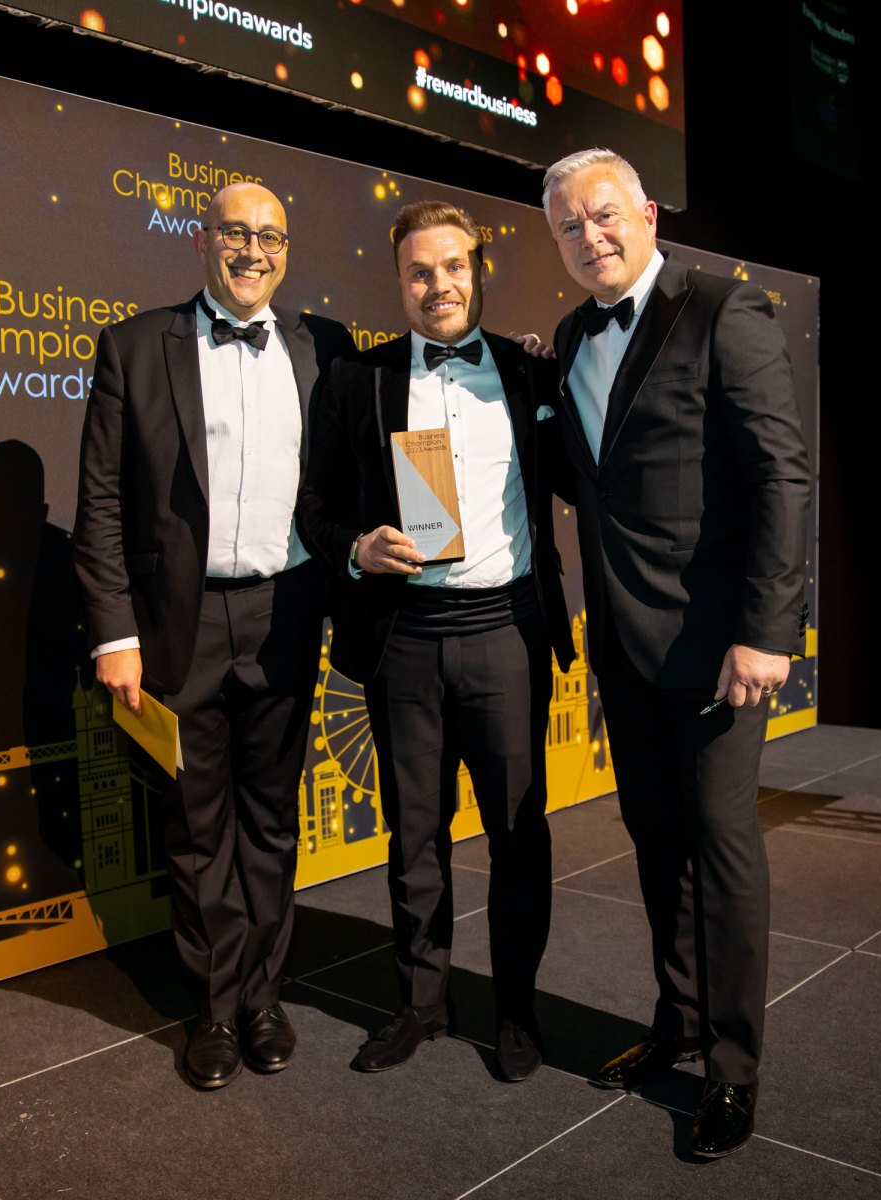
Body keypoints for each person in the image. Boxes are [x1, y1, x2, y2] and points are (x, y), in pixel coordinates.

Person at [540, 149, 811, 1157]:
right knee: (656, 840)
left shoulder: (724, 310)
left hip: (718, 645)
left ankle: (733, 1071)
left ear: (648, 214)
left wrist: (767, 632)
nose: (590, 237)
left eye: (604, 215)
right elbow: (593, 478)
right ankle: (681, 1020)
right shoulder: (572, 335)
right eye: (569, 226)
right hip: (621, 638)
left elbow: (781, 476)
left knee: (722, 845)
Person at [73, 181, 354, 1089]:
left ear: (287, 249)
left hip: (285, 615)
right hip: (177, 625)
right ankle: (214, 1009)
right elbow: (102, 504)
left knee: (271, 820)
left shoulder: (325, 347)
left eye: (270, 235)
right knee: (196, 829)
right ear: (202, 242)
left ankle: (263, 998)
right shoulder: (133, 346)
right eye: (235, 232)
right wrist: (114, 633)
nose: (253, 250)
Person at [298, 200, 575, 1082]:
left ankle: (516, 1008)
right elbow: (314, 506)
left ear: (478, 270)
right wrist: (356, 547)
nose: (438, 285)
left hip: (506, 636)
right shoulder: (358, 381)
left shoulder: (530, 374)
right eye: (419, 272)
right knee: (414, 836)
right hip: (406, 639)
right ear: (399, 282)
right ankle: (421, 1004)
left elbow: (581, 474)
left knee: (518, 835)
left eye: (454, 267)